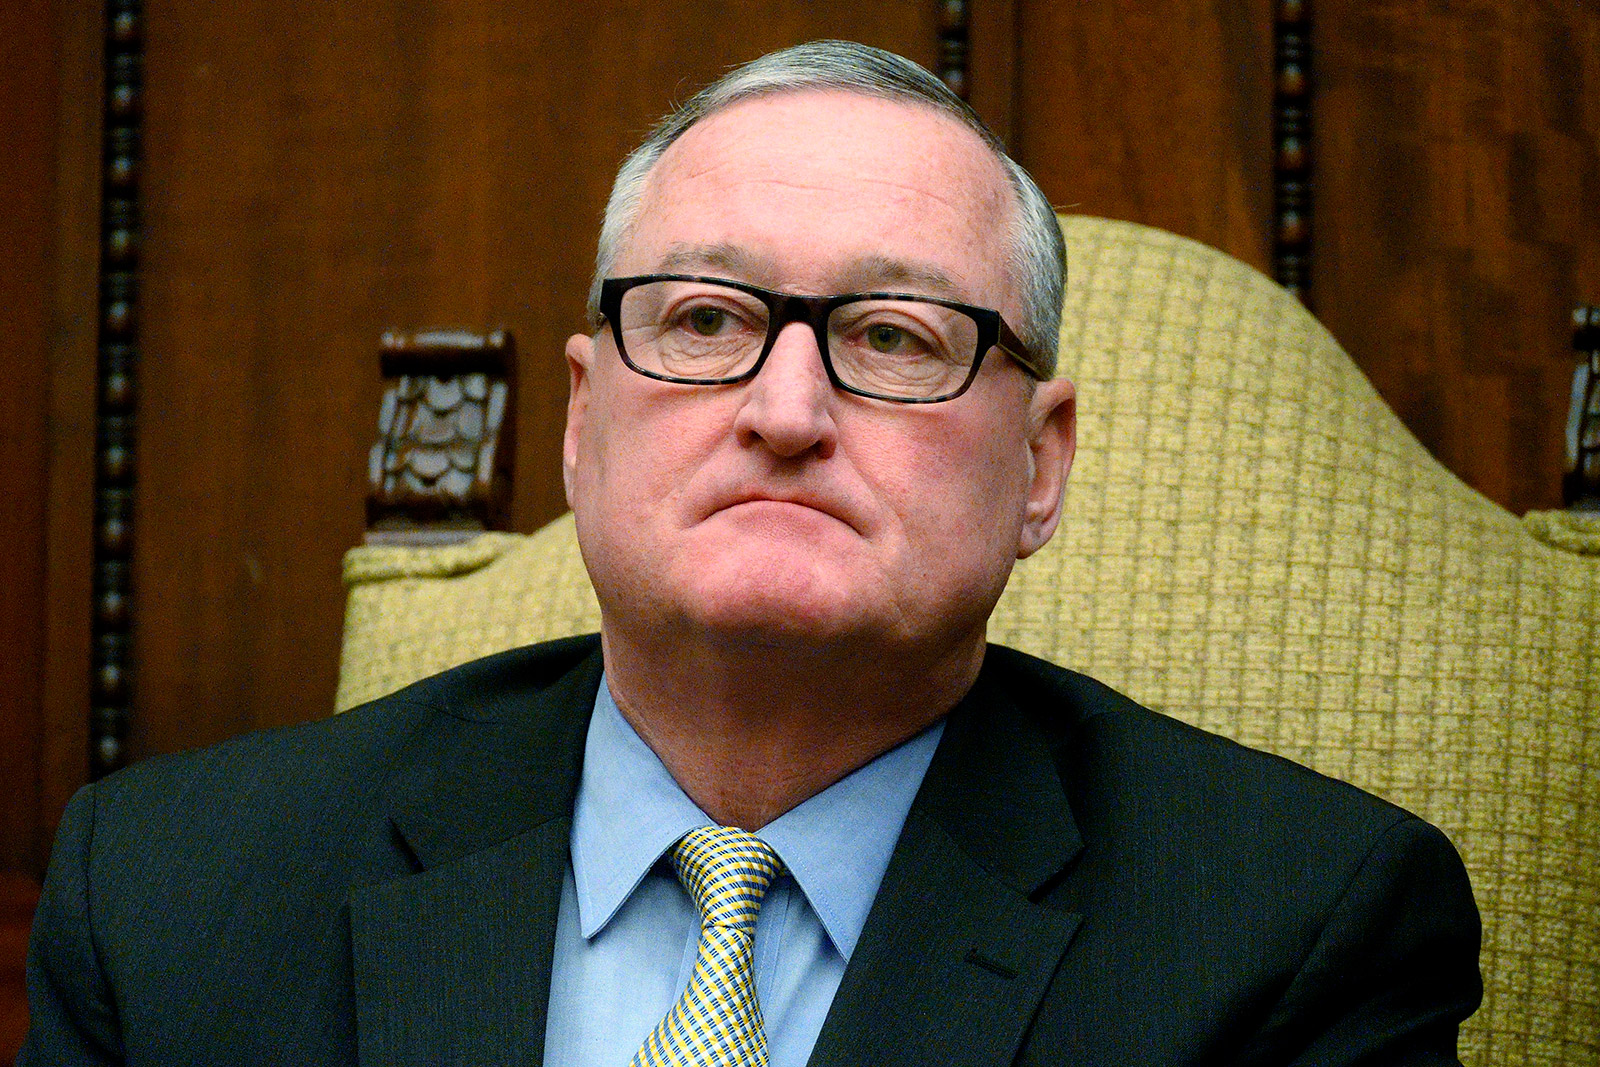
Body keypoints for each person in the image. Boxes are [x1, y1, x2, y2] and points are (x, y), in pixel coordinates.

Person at [21, 40, 1480, 1067]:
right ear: (586, 422)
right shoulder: (167, 898)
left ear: (1040, 468)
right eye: (706, 321)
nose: (787, 411)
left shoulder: (1297, 936)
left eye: (896, 338)